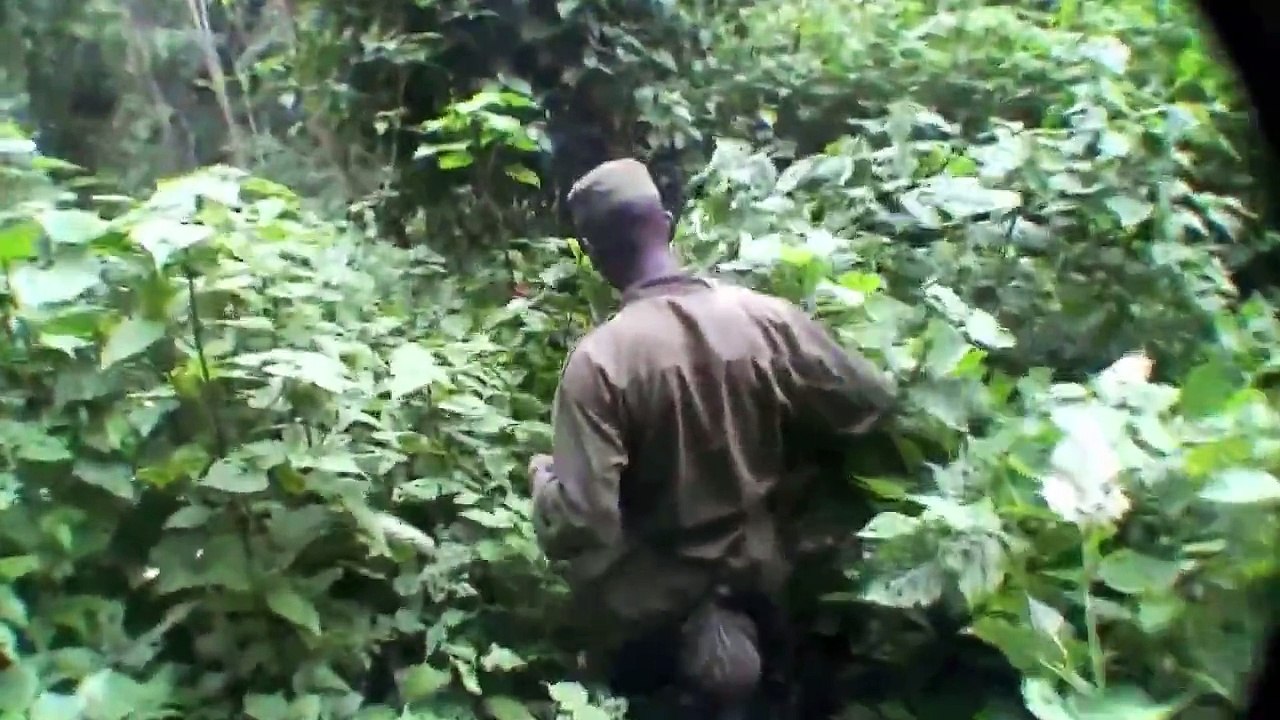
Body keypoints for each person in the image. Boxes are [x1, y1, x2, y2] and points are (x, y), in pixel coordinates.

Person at [526, 158, 897, 720]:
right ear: (666, 223)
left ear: (596, 255)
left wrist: (542, 481)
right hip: (769, 595)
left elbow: (583, 521)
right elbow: (871, 405)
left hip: (659, 621)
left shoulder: (600, 364)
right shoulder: (769, 320)